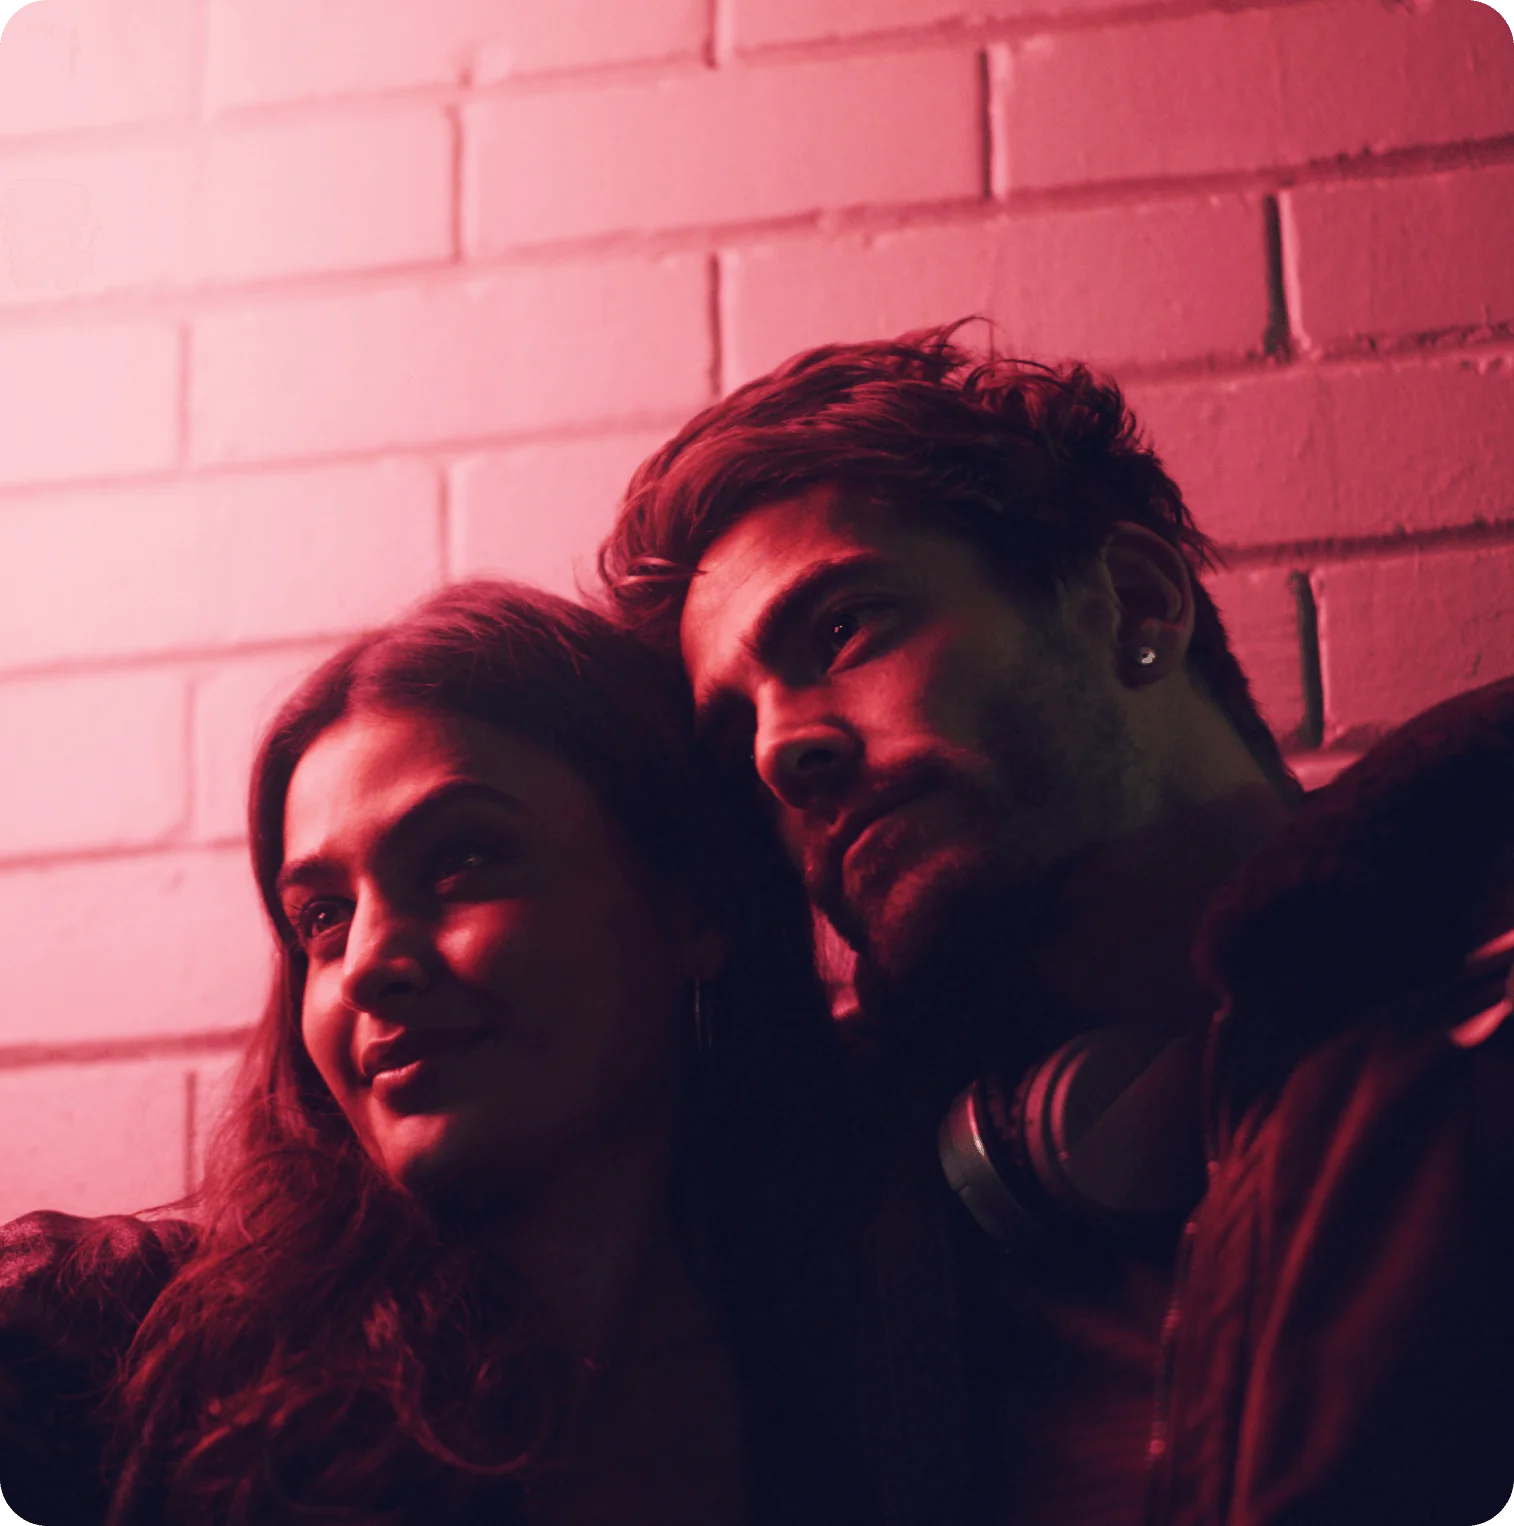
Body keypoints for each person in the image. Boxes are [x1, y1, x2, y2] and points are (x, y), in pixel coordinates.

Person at [594, 320, 1510, 1524]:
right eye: (734, 737)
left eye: (842, 629)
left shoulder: (1477, 1010)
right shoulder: (824, 1217)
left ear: (1133, 602)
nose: (778, 750)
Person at [0, 581, 865, 1526]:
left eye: (463, 859)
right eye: (323, 918)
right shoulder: (101, 1350)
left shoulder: (893, 1378)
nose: (368, 965)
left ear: (693, 909)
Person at [1154, 675, 1514, 1526]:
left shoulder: (1473, 1064)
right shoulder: (854, 1215)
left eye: (851, 627)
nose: (844, 738)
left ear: (1136, 611)